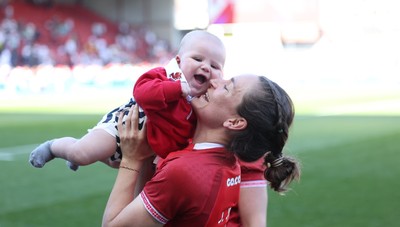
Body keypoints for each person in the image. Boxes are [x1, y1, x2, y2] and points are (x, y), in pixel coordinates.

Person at [102, 74, 301, 226]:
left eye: (227, 87)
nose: (214, 81)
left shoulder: (185, 171)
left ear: (234, 122)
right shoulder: (226, 163)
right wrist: (147, 157)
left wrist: (132, 159)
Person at [28, 30, 226, 171]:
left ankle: (93, 152)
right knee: (82, 153)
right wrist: (176, 89)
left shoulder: (205, 101)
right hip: (123, 125)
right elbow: (142, 92)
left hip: (148, 147)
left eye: (215, 66)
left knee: (115, 163)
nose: (206, 67)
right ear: (178, 60)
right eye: (198, 59)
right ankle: (54, 147)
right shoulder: (166, 76)